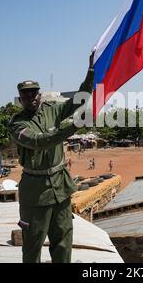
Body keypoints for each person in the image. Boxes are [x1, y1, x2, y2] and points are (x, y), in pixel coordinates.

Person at [8, 53, 94, 263]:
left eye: (34, 93)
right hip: (36, 192)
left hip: (60, 187)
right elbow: (40, 141)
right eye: (26, 95)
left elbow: (80, 98)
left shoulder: (52, 110)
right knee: (33, 244)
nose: (31, 97)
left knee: (63, 239)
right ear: (20, 99)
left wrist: (91, 71)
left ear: (40, 94)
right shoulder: (16, 124)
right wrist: (73, 125)